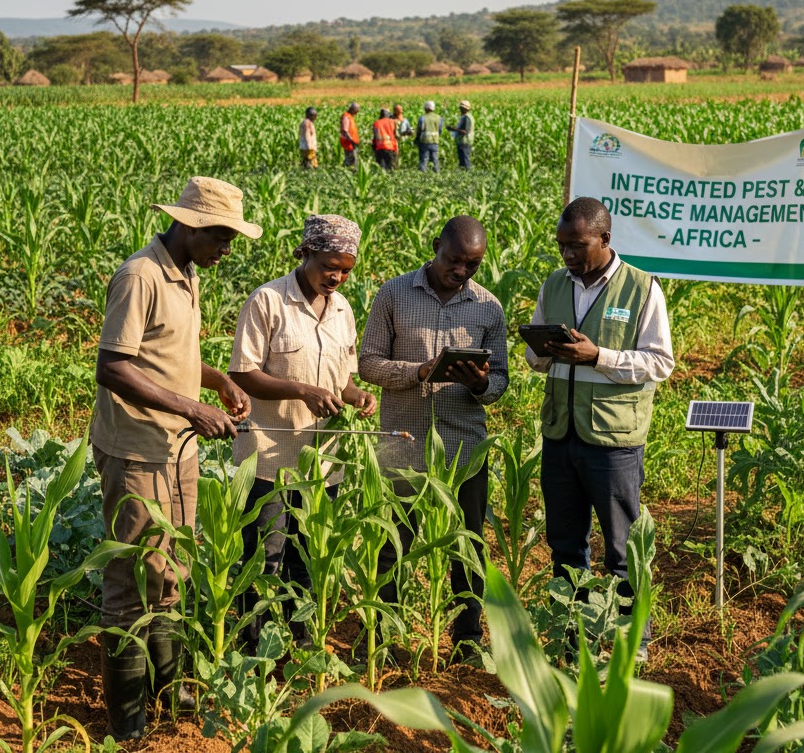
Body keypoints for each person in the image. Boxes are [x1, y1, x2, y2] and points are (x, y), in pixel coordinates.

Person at [93, 176, 259, 740]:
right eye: (219, 236)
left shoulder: (187, 273)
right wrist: (191, 407)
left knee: (171, 570)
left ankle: (169, 689)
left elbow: (170, 354)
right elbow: (114, 367)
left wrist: (214, 383)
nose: (225, 249)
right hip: (138, 449)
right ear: (188, 226)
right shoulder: (140, 276)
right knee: (130, 579)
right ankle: (128, 721)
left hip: (176, 446)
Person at [524, 197, 673, 655]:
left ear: (605, 240)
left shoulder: (642, 288)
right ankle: (576, 635)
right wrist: (544, 349)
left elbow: (660, 362)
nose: (567, 254)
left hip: (613, 442)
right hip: (560, 434)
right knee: (566, 546)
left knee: (622, 550)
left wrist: (599, 357)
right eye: (561, 245)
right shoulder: (553, 285)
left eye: (577, 245)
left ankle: (633, 642)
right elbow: (533, 358)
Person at [359, 216, 508, 656]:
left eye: (473, 265)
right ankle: (384, 637)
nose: (462, 271)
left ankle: (467, 639)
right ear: (435, 246)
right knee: (392, 545)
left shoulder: (488, 308)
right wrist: (419, 371)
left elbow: (499, 381)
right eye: (454, 260)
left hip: (464, 448)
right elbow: (368, 363)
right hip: (403, 445)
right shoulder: (394, 293)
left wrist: (479, 383)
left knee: (469, 548)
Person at [228, 214, 376, 645]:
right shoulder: (268, 301)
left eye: (347, 269)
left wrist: (356, 396)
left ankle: (300, 643)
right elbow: (243, 374)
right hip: (269, 458)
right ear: (306, 252)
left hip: (322, 464)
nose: (337, 276)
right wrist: (301, 391)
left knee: (307, 556)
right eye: (330, 265)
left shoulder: (343, 310)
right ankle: (252, 648)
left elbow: (342, 379)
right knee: (264, 556)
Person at [415, 100, 444, 173]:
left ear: (426, 108)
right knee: (435, 159)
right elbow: (440, 130)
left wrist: (417, 139)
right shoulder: (439, 118)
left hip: (424, 141)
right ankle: (437, 174)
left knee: (424, 159)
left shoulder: (422, 118)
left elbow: (419, 130)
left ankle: (423, 175)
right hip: (435, 141)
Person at [447, 99, 475, 169]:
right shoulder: (465, 117)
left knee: (465, 162)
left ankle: (468, 176)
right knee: (462, 162)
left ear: (465, 109)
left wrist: (453, 129)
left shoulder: (467, 118)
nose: (460, 109)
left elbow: (465, 131)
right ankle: (464, 176)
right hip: (462, 141)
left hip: (465, 142)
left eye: (461, 108)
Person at [371, 107, 397, 171]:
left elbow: (375, 136)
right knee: (390, 167)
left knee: (380, 168)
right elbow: (395, 134)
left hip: (379, 147)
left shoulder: (376, 123)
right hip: (390, 147)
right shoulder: (392, 122)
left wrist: (374, 146)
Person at [340, 101, 361, 168]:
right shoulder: (346, 117)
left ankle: (347, 171)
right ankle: (343, 171)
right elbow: (345, 131)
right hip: (349, 143)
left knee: (352, 159)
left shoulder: (349, 116)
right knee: (351, 159)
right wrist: (352, 141)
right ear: (352, 109)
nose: (357, 112)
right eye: (356, 110)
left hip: (351, 142)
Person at [391, 104, 412, 169]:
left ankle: (404, 167)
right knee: (396, 155)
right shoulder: (391, 120)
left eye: (401, 110)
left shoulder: (405, 120)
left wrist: (408, 132)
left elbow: (409, 130)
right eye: (398, 110)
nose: (400, 111)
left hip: (403, 141)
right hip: (394, 141)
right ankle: (396, 166)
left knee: (403, 154)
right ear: (395, 111)